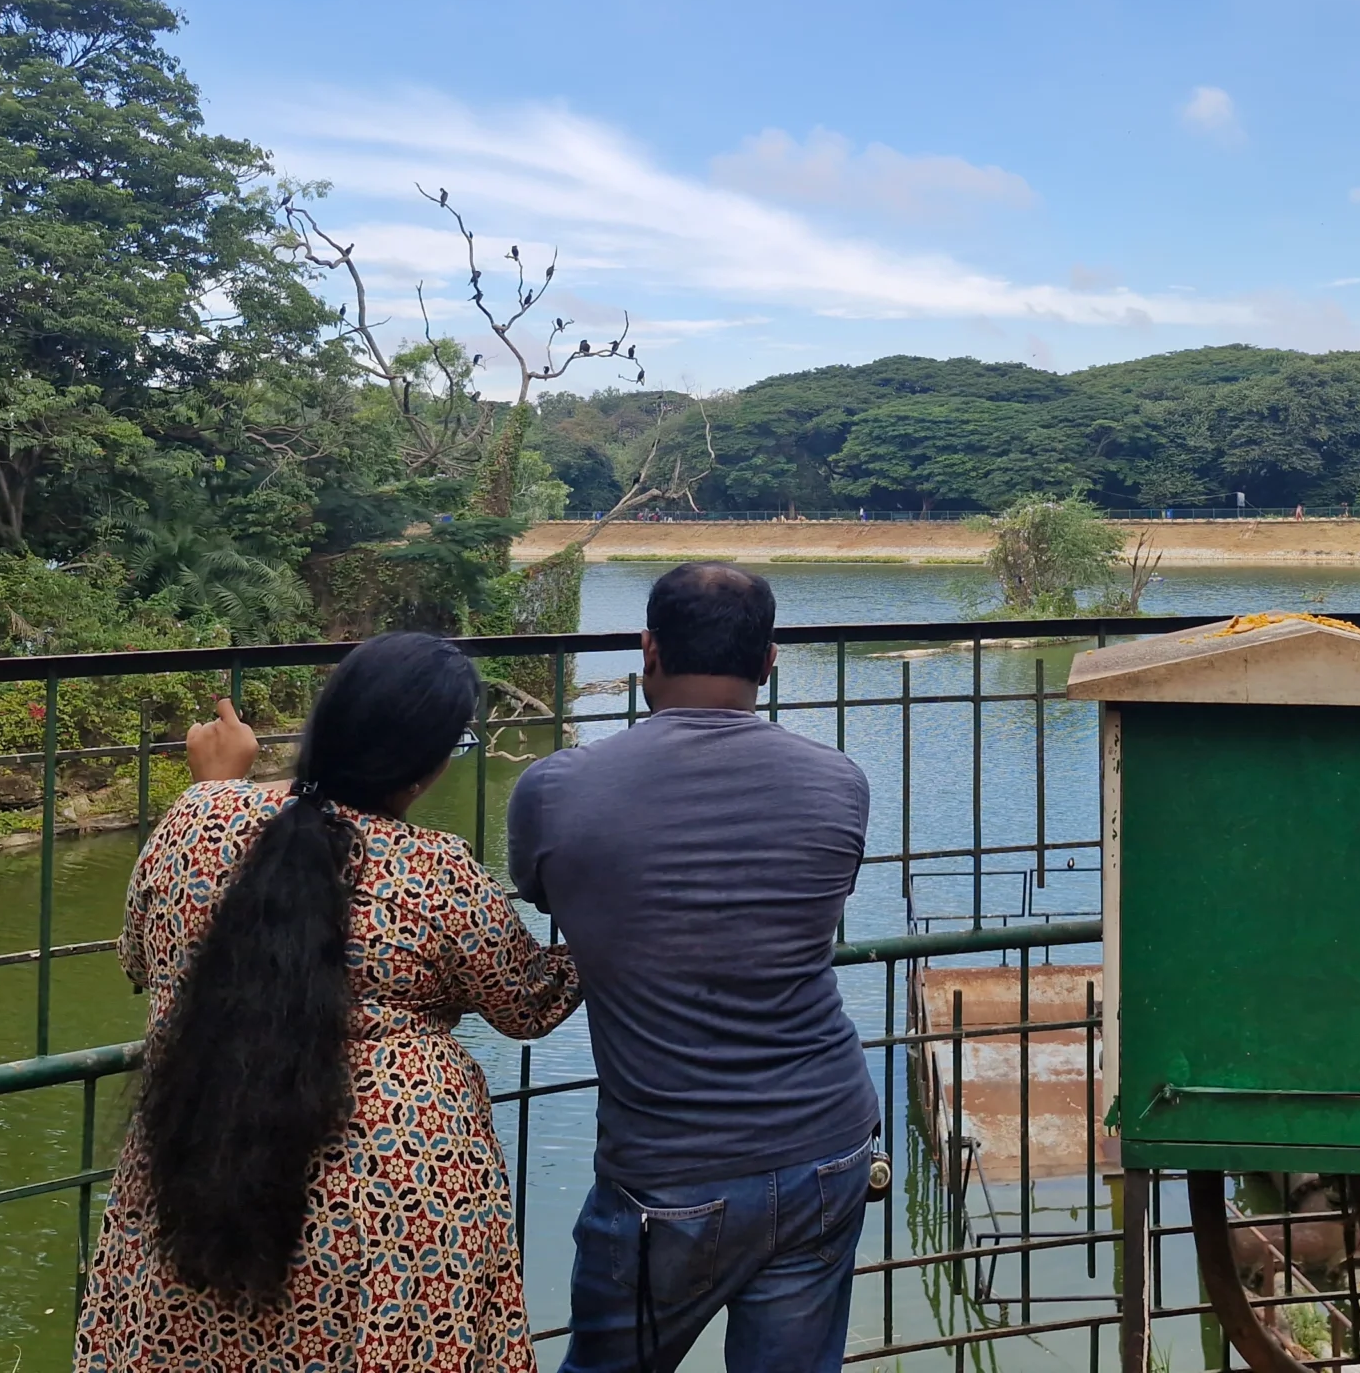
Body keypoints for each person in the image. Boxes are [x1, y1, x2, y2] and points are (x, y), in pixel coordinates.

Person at [77, 634, 581, 1372]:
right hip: (395, 1207)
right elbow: (529, 1002)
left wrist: (213, 788)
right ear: (431, 765)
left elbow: (138, 957)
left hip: (199, 1167)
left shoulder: (195, 823)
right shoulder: (436, 870)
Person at [509, 562, 878, 1373]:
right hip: (827, 1144)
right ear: (768, 662)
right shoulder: (840, 783)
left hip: (666, 1172)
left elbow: (544, 892)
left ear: (648, 650)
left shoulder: (555, 790)